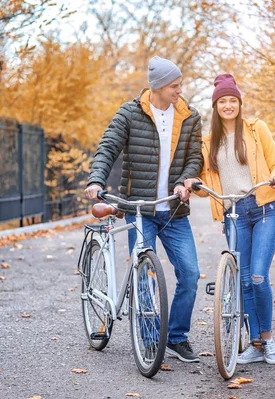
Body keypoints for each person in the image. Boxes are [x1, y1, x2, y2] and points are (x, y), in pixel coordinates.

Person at [84, 56, 203, 363]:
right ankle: (149, 341)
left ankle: (176, 337)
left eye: (179, 84)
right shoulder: (130, 112)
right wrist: (96, 179)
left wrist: (183, 181)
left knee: (190, 274)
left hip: (173, 210)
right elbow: (108, 146)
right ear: (160, 86)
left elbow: (194, 158)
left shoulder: (189, 116)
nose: (180, 90)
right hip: (140, 211)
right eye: (175, 85)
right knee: (145, 275)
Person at [184, 74, 275, 365]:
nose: (228, 106)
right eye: (222, 101)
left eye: (233, 100)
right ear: (215, 106)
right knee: (243, 283)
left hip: (265, 207)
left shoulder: (256, 129)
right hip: (234, 214)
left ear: (239, 103)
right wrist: (194, 184)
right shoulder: (207, 143)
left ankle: (267, 340)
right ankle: (254, 344)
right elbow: (207, 185)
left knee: (257, 276)